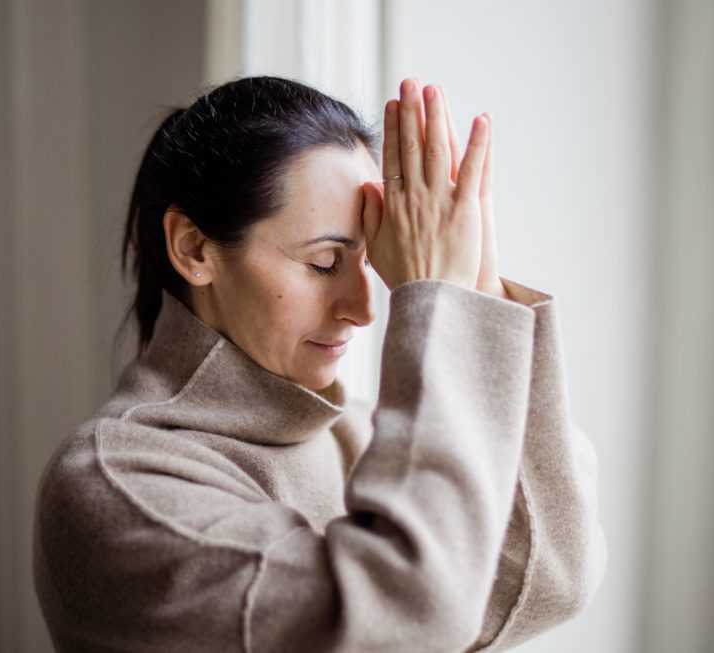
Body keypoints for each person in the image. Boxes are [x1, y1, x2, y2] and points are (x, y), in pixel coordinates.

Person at [32, 75, 607, 652]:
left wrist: (479, 292)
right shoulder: (119, 484)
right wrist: (442, 305)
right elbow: (409, 615)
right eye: (326, 262)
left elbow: (549, 577)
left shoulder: (358, 435)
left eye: (372, 262)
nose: (365, 310)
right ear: (194, 248)